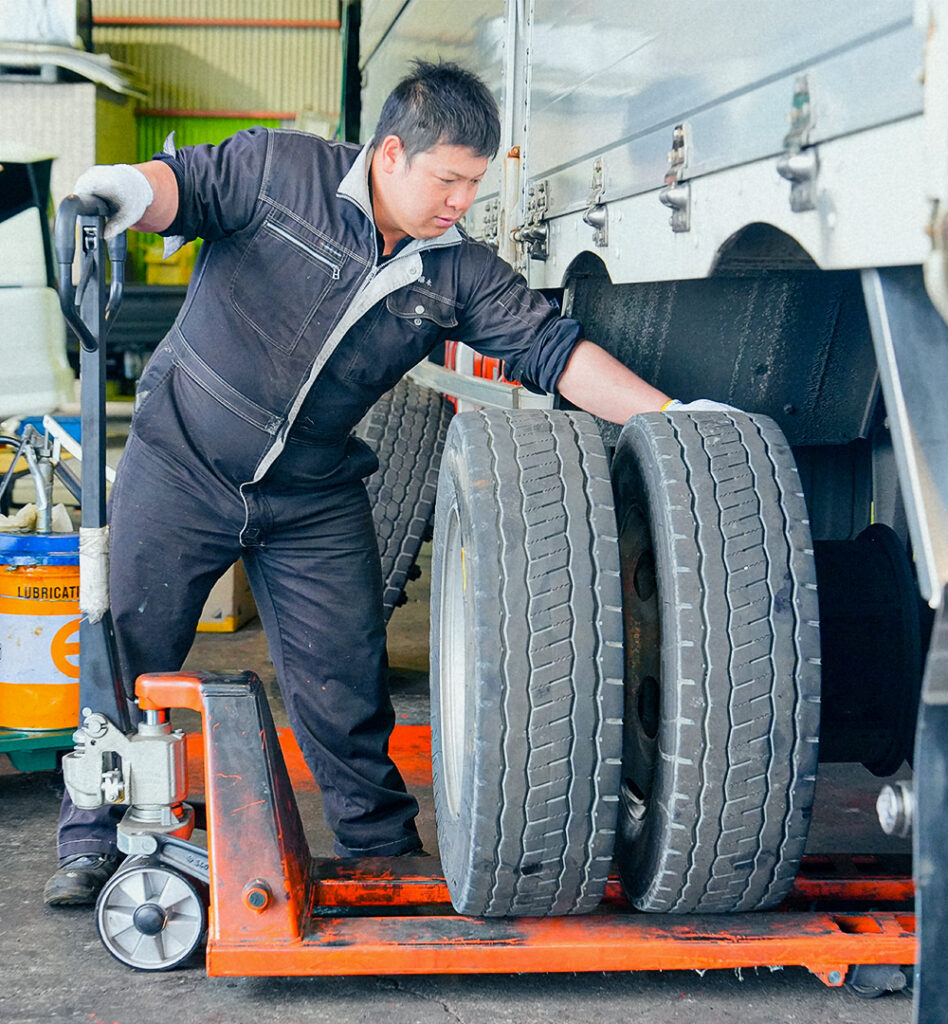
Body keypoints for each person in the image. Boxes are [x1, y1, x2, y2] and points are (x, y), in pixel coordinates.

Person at [44, 60, 729, 905]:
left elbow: (554, 352)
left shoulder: (458, 270)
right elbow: (182, 185)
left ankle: (381, 851)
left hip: (312, 495)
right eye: (448, 179)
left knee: (345, 683)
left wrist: (668, 413)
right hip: (182, 459)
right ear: (392, 153)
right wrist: (117, 190)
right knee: (128, 650)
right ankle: (90, 841)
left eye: (474, 184)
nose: (460, 202)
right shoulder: (278, 172)